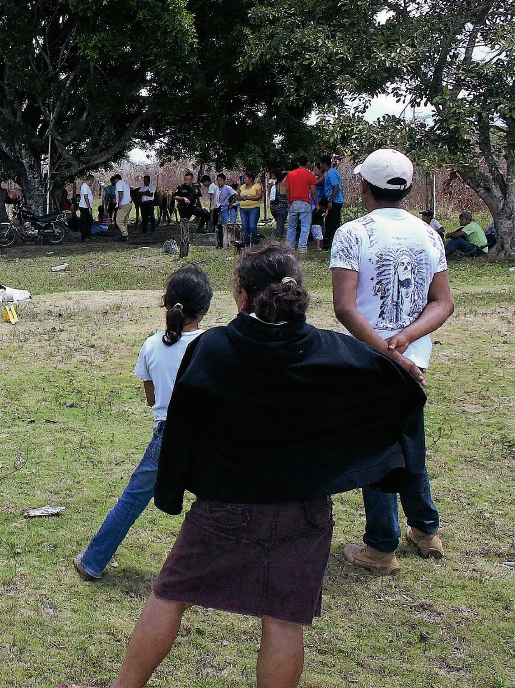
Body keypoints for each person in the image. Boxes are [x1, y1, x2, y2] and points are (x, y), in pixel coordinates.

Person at [67, 245, 427, 688]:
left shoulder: (214, 348)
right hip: (305, 511)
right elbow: (403, 389)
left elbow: (182, 423)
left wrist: (174, 489)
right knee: (283, 620)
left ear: (241, 297)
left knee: (169, 595)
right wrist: (397, 370)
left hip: (225, 506)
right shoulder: (335, 350)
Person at [330, 148, 455, 574]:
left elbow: (345, 308)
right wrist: (407, 342)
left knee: (377, 450)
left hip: (370, 361)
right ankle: (425, 530)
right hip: (415, 362)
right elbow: (443, 303)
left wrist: (387, 349)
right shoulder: (429, 234)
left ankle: (381, 546)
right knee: (409, 440)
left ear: (363, 185)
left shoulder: (352, 234)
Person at [73, 266, 212, 581]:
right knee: (223, 504)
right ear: (205, 308)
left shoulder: (152, 345)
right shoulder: (211, 343)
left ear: (165, 303)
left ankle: (92, 561)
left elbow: (152, 400)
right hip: (209, 437)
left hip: (167, 437)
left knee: (132, 500)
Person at [284, 156, 319, 253]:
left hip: (293, 202)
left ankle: (289, 246)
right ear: (307, 163)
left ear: (298, 163)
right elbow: (313, 191)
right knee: (305, 226)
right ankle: (302, 247)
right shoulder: (310, 175)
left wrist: (288, 203)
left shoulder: (290, 174)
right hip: (305, 202)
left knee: (291, 226)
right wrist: (317, 204)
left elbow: (287, 190)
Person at [316, 155, 344, 244]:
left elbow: (336, 187)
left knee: (330, 222)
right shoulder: (330, 172)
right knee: (333, 221)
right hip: (333, 199)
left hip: (335, 201)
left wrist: (331, 200)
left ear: (324, 164)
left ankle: (328, 243)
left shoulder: (331, 173)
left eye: (321, 164)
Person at [237, 172, 263, 246]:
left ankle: (256, 242)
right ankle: (246, 243)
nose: (244, 180)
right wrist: (242, 198)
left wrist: (249, 198)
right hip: (243, 208)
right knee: (245, 227)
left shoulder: (257, 186)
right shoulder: (242, 187)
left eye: (245, 178)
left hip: (253, 208)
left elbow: (259, 196)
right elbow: (237, 196)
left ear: (250, 179)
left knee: (252, 226)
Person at [212, 174, 236, 248]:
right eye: (218, 180)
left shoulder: (228, 188)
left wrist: (231, 204)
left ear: (224, 181)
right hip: (216, 208)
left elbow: (236, 195)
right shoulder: (215, 188)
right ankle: (218, 242)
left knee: (225, 225)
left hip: (224, 208)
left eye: (220, 180)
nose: (219, 182)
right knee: (216, 225)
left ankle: (228, 242)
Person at [110, 173, 132, 241]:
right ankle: (124, 236)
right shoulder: (126, 184)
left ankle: (125, 235)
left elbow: (120, 193)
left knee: (119, 221)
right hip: (129, 203)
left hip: (123, 204)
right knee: (124, 221)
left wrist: (119, 202)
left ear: (116, 179)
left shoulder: (118, 184)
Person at [269, 169, 289, 241]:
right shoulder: (283, 183)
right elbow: (290, 175)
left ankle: (278, 238)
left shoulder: (274, 185)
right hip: (281, 207)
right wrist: (287, 172)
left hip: (273, 207)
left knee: (279, 223)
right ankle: (278, 239)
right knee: (281, 225)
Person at [78, 174, 96, 242]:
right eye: (92, 181)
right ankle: (84, 236)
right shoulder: (84, 186)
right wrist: (89, 207)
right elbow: (86, 197)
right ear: (90, 180)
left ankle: (88, 234)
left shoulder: (86, 186)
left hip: (87, 206)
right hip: (84, 207)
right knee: (84, 222)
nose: (92, 183)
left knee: (89, 221)